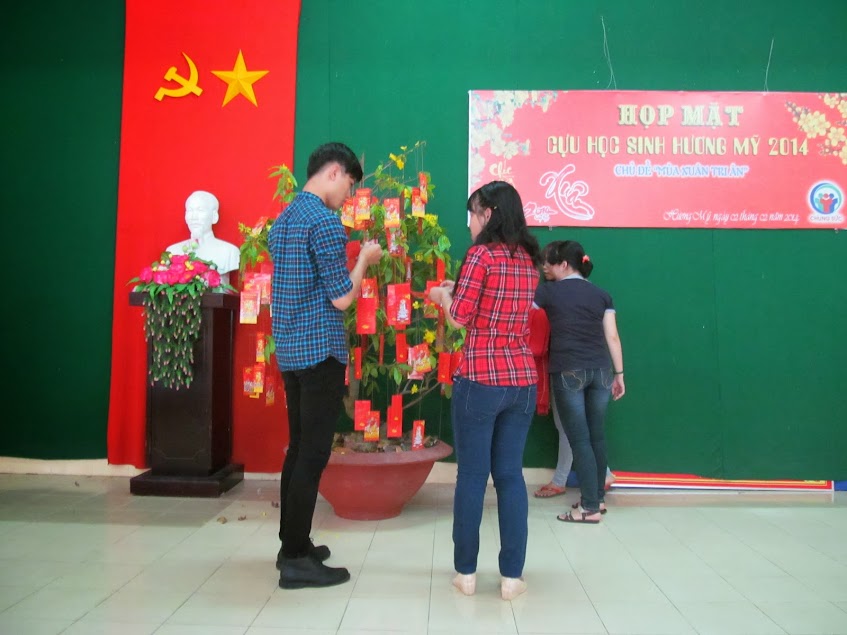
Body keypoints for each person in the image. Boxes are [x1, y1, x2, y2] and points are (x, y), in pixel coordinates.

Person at [269, 142, 382, 589]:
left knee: (298, 449)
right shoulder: (325, 222)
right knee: (313, 454)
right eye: (349, 185)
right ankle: (296, 559)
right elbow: (342, 297)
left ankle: (291, 544)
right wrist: (363, 260)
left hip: (291, 351)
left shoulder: (284, 219)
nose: (348, 196)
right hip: (320, 352)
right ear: (334, 172)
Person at [429, 180, 540, 601]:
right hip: (522, 380)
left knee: (473, 476)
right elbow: (498, 307)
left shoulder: (480, 255)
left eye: (473, 213)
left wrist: (442, 296)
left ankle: (466, 573)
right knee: (510, 476)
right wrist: (458, 293)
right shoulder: (528, 258)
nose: (470, 222)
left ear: (488, 213)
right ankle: (512, 577)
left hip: (480, 378)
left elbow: (459, 317)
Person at [533, 240, 625, 524]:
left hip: (569, 371)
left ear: (564, 264)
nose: (547, 268)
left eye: (551, 263)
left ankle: (588, 507)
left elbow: (522, 309)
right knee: (596, 436)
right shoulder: (602, 295)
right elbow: (612, 337)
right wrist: (619, 374)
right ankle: (597, 498)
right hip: (601, 371)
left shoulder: (548, 292)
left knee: (579, 439)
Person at [166, 190, 240, 281]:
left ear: (214, 216)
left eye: (200, 210)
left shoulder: (229, 252)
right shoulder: (173, 251)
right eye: (190, 210)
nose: (194, 217)